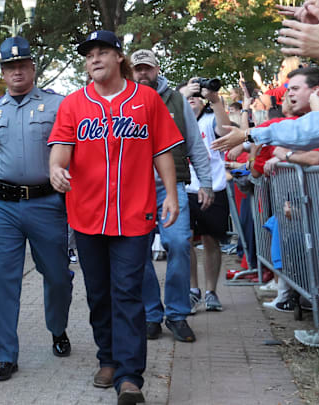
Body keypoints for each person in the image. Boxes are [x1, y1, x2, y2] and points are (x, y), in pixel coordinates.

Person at [48, 31, 183, 405]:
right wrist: (56, 170)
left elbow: (163, 151)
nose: (94, 59)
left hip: (134, 213)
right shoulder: (74, 103)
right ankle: (106, 357)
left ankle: (129, 375)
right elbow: (60, 150)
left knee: (127, 292)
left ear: (118, 57)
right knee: (98, 293)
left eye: (102, 52)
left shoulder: (147, 99)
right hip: (87, 213)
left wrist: (171, 194)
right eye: (89, 54)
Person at [0, 36, 72, 382]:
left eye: (22, 65)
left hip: (46, 203)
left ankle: (58, 327)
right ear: (3, 72)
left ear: (33, 67)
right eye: (9, 66)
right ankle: (5, 355)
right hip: (3, 206)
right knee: (1, 282)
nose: (16, 71)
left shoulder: (57, 105)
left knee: (57, 276)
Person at [130, 49, 212, 343]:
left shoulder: (177, 101)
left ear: (157, 69)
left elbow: (195, 145)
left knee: (178, 243)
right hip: (133, 187)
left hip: (172, 184)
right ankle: (152, 314)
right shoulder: (124, 98)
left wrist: (206, 183)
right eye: (137, 69)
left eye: (147, 69)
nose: (142, 74)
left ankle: (177, 314)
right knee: (137, 250)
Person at [177, 76, 231, 313]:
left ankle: (211, 292)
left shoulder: (210, 120)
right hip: (184, 188)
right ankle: (192, 290)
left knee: (211, 241)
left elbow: (225, 129)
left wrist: (215, 99)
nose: (192, 102)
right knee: (185, 240)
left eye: (196, 98)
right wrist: (182, 95)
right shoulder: (176, 121)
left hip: (213, 188)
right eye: (187, 99)